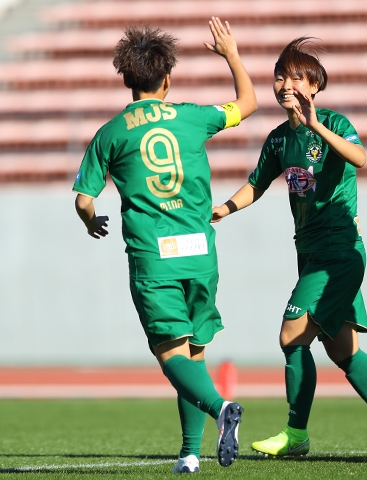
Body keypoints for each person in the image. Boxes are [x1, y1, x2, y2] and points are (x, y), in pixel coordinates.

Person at [211, 37, 367, 458]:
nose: (284, 84)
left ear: (315, 86)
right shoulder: (277, 139)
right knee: (342, 351)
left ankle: (296, 434)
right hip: (309, 251)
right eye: (279, 77)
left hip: (339, 251)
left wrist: (317, 127)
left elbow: (360, 158)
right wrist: (224, 209)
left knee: (291, 337)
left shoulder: (334, 123)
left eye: (294, 78)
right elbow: (256, 185)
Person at [72, 18, 257, 473]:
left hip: (155, 256)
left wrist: (92, 220)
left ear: (127, 78)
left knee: (170, 353)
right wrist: (231, 52)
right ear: (167, 78)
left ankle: (221, 409)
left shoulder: (112, 133)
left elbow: (83, 198)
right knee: (194, 352)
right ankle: (190, 453)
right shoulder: (194, 115)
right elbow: (248, 103)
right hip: (200, 252)